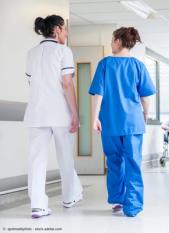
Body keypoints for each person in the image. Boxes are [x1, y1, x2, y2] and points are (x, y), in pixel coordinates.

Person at [89, 27, 155, 217]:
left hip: (110, 122)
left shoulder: (105, 64)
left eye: (112, 40)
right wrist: (145, 115)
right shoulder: (138, 66)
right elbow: (145, 97)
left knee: (114, 161)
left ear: (118, 41)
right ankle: (132, 206)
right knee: (133, 162)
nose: (110, 43)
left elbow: (98, 94)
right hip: (133, 123)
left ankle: (118, 199)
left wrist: (95, 119)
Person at [24, 15, 83, 219]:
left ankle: (38, 206)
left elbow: (32, 84)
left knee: (36, 160)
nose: (66, 33)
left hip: (36, 113)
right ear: (57, 29)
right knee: (65, 156)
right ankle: (69, 196)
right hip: (59, 113)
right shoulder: (63, 51)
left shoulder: (31, 53)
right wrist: (75, 114)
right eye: (65, 29)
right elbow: (67, 84)